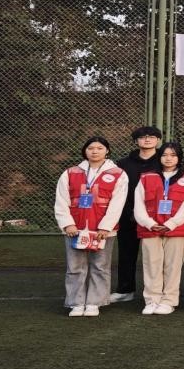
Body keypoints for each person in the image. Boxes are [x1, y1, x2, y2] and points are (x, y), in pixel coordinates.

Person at [54, 136, 128, 317]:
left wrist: (106, 227)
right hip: (75, 229)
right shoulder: (70, 172)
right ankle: (76, 303)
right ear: (85, 151)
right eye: (91, 148)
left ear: (107, 151)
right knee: (75, 267)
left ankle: (95, 302)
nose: (95, 151)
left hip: (103, 230)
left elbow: (118, 203)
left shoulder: (118, 173)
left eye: (99, 148)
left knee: (100, 266)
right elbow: (61, 200)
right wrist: (68, 224)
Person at [133, 141, 184, 315]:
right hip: (150, 229)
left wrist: (171, 224)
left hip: (177, 230)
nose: (168, 158)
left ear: (179, 158)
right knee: (151, 265)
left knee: (173, 266)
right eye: (164, 155)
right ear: (159, 157)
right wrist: (149, 223)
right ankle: (152, 300)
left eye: (173, 155)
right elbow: (138, 203)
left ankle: (169, 301)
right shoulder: (146, 177)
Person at [112, 126, 161, 304]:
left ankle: (158, 292)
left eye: (152, 136)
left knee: (156, 257)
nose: (147, 140)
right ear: (136, 141)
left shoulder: (165, 161)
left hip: (155, 218)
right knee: (126, 254)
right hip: (128, 215)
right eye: (142, 137)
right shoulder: (123, 164)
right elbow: (117, 189)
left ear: (158, 140)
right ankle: (125, 290)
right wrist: (129, 212)